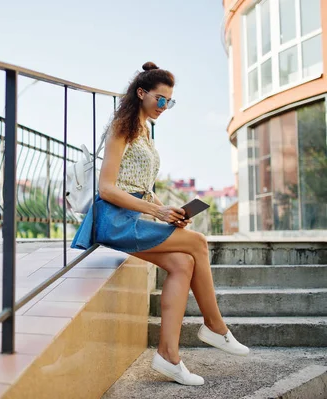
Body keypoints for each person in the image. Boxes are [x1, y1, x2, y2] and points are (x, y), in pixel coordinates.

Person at [71, 61, 249, 386]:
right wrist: (156, 213)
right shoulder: (121, 128)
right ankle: (215, 326)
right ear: (141, 93)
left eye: (170, 102)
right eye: (161, 99)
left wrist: (166, 209)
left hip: (134, 215)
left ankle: (168, 355)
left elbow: (141, 185)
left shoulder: (145, 133)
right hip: (113, 220)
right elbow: (107, 188)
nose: (164, 107)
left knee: (182, 263)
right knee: (198, 243)